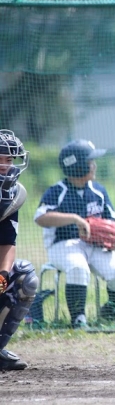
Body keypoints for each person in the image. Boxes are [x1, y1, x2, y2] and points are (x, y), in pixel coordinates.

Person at [34, 139, 115, 328]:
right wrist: (75, 219)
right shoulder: (57, 191)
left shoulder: (98, 190)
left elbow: (113, 220)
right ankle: (78, 319)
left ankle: (110, 311)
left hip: (94, 245)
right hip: (62, 245)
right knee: (78, 268)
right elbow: (41, 217)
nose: (94, 165)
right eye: (90, 161)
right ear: (77, 166)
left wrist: (104, 230)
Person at [0, 129, 38, 370]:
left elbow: (7, 242)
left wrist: (3, 275)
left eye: (9, 159)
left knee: (25, 277)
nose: (5, 166)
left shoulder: (12, 194)